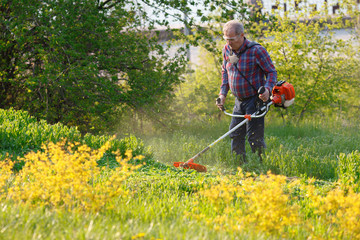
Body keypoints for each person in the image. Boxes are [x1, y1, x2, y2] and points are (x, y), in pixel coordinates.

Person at [216, 20, 277, 164]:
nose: (229, 43)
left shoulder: (256, 50)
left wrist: (268, 90)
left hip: (255, 100)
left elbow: (271, 72)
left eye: (232, 39)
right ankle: (240, 168)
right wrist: (222, 94)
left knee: (254, 137)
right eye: (226, 39)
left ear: (242, 35)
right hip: (239, 101)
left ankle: (261, 168)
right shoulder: (228, 50)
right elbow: (226, 72)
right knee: (235, 134)